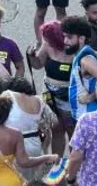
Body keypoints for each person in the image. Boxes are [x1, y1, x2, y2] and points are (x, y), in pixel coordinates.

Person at [2, 77, 56, 186]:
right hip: (34, 144)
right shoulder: (39, 101)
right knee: (29, 183)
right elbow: (53, 121)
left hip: (15, 145)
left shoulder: (8, 95)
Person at [26, 20, 72, 159]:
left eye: (48, 40)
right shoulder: (46, 45)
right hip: (49, 95)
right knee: (56, 129)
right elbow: (38, 65)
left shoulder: (73, 48)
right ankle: (57, 163)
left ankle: (74, 166)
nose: (45, 42)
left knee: (72, 131)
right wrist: (31, 56)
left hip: (68, 97)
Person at [62, 15, 97, 122]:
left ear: (81, 39)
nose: (65, 41)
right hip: (85, 116)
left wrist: (91, 97)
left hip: (90, 118)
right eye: (64, 36)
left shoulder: (85, 60)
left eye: (69, 37)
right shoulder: (83, 54)